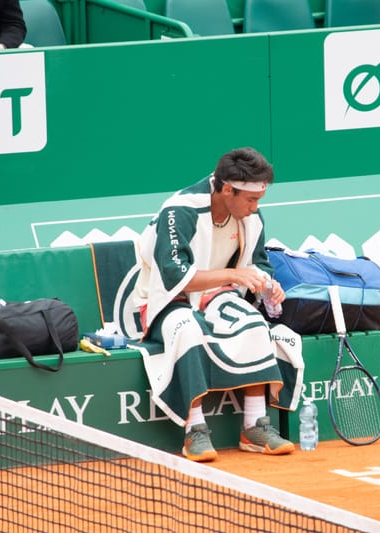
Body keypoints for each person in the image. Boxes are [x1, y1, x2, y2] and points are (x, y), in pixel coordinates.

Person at [132, 147, 304, 462]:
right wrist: (234, 274)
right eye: (250, 200)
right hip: (166, 300)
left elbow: (259, 264)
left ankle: (254, 426)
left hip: (218, 295)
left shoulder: (250, 216)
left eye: (258, 201)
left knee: (253, 322)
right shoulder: (179, 210)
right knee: (187, 329)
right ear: (227, 189)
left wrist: (267, 285)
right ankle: (194, 430)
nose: (255, 209)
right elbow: (174, 276)